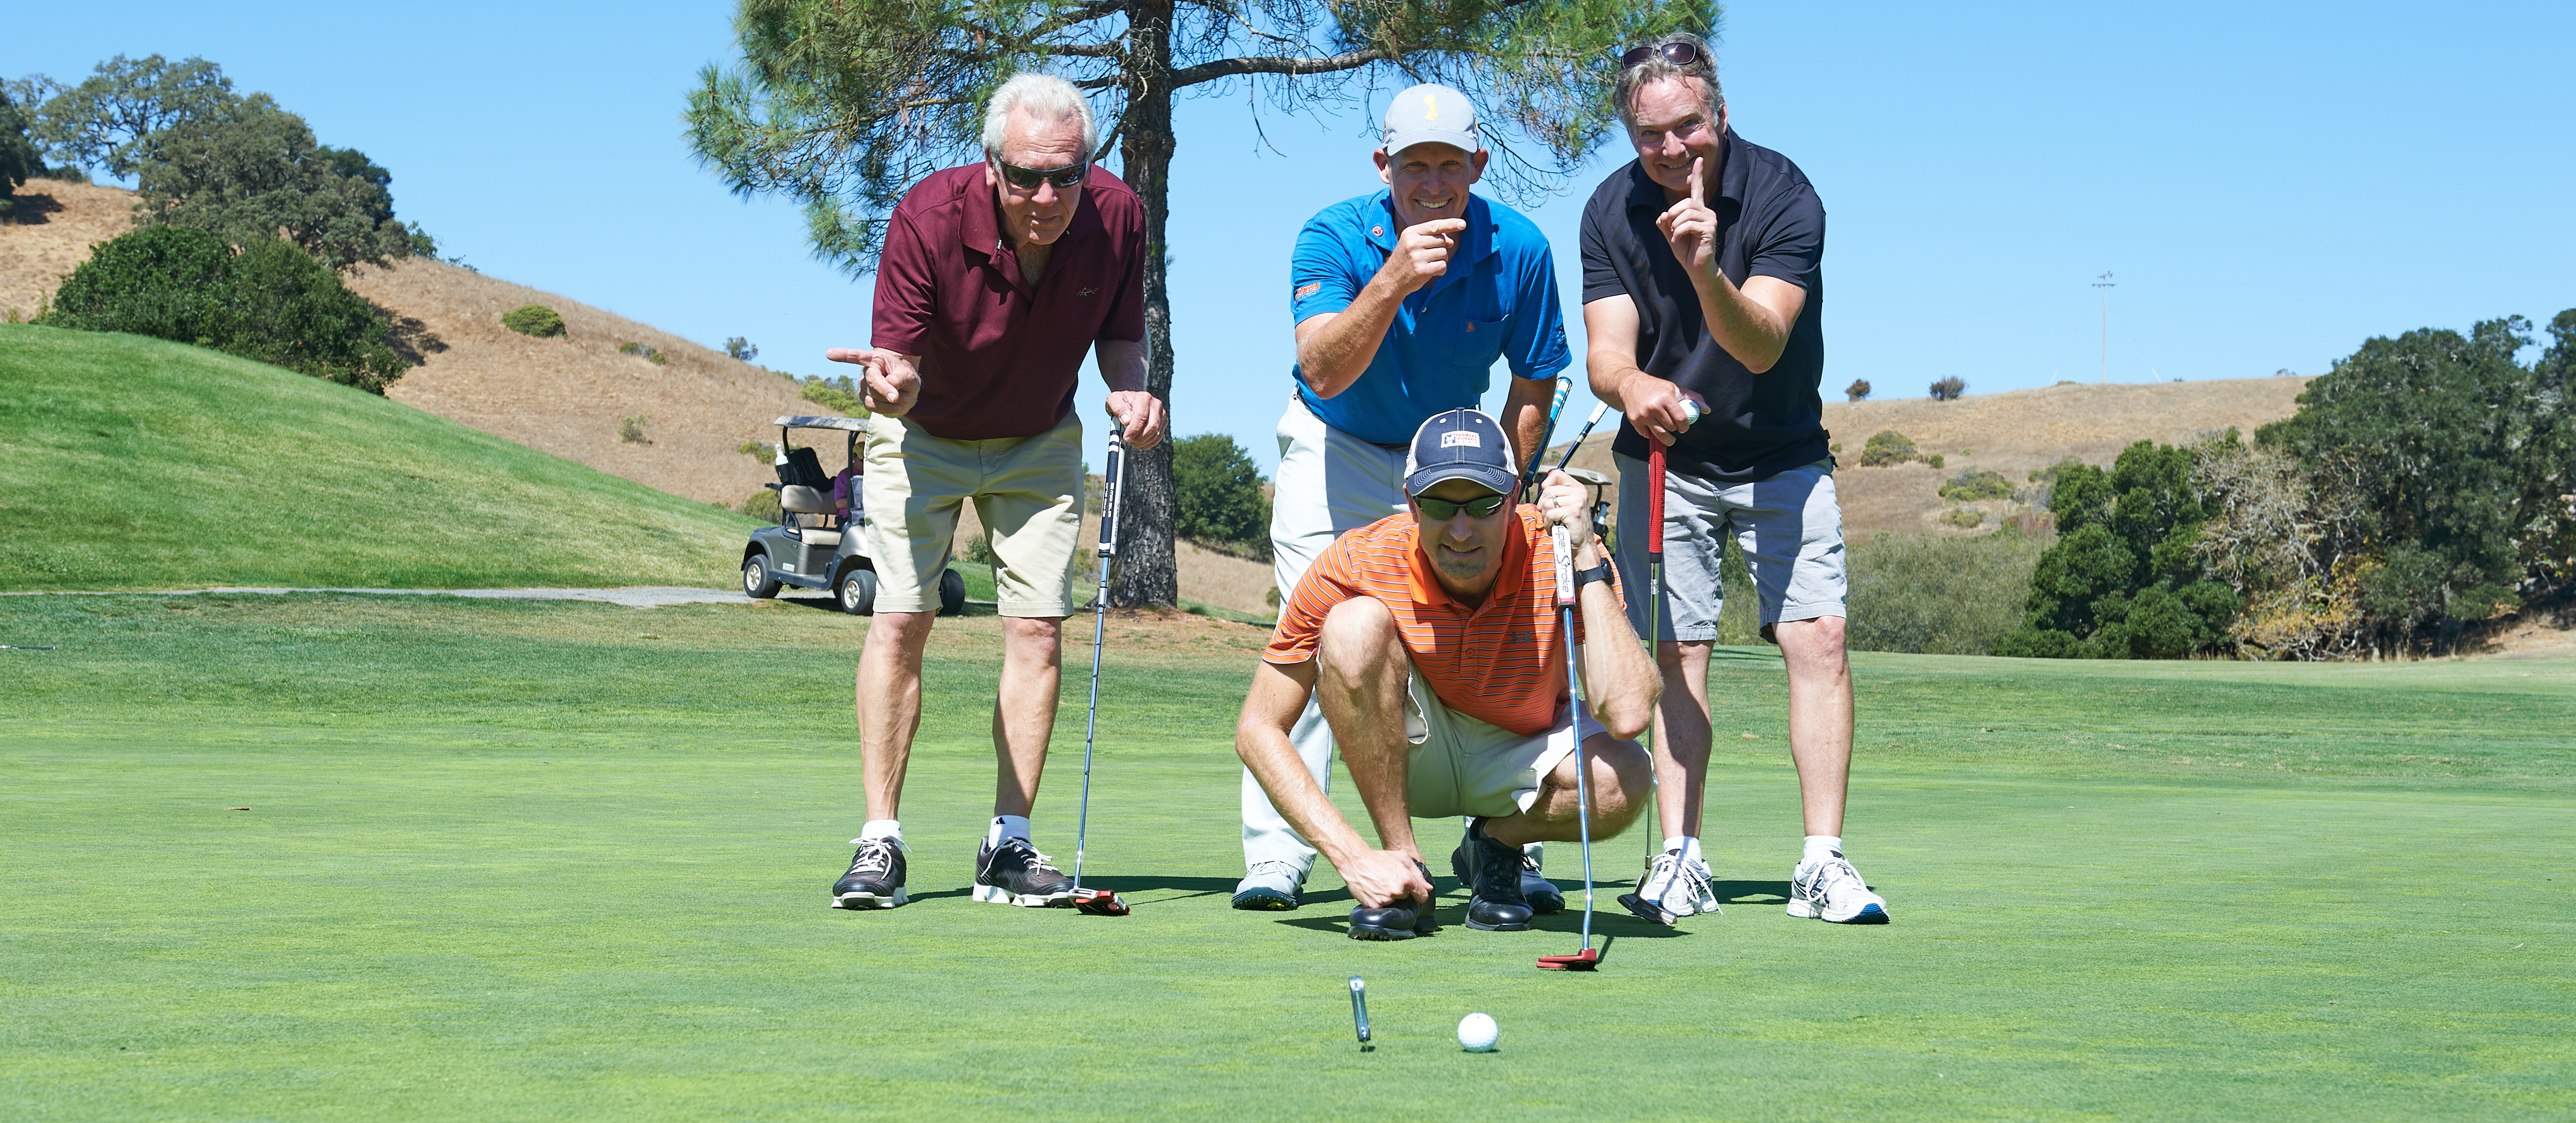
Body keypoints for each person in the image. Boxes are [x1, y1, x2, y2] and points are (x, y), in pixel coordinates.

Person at [821, 73, 1167, 911]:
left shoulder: (1117, 213)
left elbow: (1123, 336)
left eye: (1065, 173)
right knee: (901, 618)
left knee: (1037, 633)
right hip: (923, 435)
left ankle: (1008, 846)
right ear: (989, 168)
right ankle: (881, 843)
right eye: (1025, 176)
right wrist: (888, 388)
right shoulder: (926, 214)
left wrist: (1130, 391)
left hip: (1040, 439)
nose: (1046, 194)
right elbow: (895, 362)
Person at [1235, 83, 1575, 912]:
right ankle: (1282, 854)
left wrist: (1510, 496)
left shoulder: (1520, 248)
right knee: (1326, 638)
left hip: (1453, 462)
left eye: (1449, 167)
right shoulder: (1333, 237)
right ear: (1382, 164)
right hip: (1335, 442)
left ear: (1478, 165)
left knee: (1494, 635)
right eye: (1414, 166)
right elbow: (1322, 369)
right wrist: (1391, 279)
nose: (1432, 185)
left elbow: (1534, 383)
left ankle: (1499, 841)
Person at [1579, 34, 1890, 924]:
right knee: (1677, 656)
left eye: (1688, 127)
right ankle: (1682, 856)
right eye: (1650, 136)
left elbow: (1758, 342)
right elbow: (1606, 352)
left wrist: (1703, 267)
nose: (1673, 149)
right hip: (1667, 464)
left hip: (1781, 451)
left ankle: (1821, 863)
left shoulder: (1784, 192)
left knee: (1818, 642)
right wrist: (1637, 387)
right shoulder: (1609, 209)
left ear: (1719, 114)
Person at [1235, 408, 1658, 940]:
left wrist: (1585, 555)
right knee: (1353, 624)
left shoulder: (1557, 550)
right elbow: (1258, 728)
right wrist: (1352, 856)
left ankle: (1496, 845)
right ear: (1412, 503)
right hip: (1415, 752)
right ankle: (1402, 864)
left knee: (1627, 778)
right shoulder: (1354, 561)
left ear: (1511, 500)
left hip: (1523, 746)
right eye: (1439, 505)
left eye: (1482, 504)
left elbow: (1628, 711)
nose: (1461, 530)